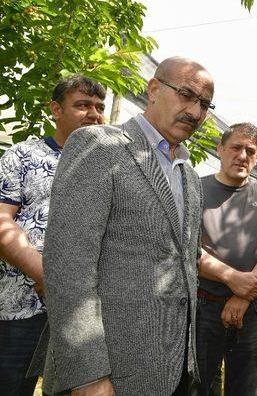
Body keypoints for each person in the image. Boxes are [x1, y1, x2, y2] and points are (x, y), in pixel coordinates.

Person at [41, 57, 214, 395]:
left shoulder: (189, 176)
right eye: (185, 94)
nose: (195, 111)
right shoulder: (99, 146)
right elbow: (68, 266)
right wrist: (88, 376)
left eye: (204, 104)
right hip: (109, 375)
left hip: (174, 370)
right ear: (153, 89)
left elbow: (185, 262)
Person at [0, 74, 105, 395]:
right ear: (56, 110)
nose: (94, 114)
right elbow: (2, 222)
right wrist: (46, 274)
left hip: (85, 311)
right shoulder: (23, 156)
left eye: (100, 107)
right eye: (82, 105)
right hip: (22, 305)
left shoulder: (109, 167)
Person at [195, 123, 257, 396]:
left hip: (254, 310)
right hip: (204, 307)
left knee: (246, 388)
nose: (242, 155)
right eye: (235, 147)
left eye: (251, 150)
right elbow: (187, 248)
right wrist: (232, 279)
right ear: (220, 150)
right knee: (200, 386)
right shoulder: (195, 190)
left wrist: (244, 296)